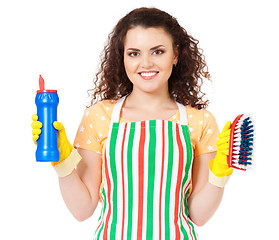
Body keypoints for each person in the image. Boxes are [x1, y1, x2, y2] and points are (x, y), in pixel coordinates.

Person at [32, 7, 233, 239]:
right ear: (122, 57)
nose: (145, 63)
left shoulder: (200, 122)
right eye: (134, 53)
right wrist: (62, 160)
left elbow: (198, 215)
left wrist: (219, 173)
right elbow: (82, 210)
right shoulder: (99, 116)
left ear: (175, 55)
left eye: (157, 51)